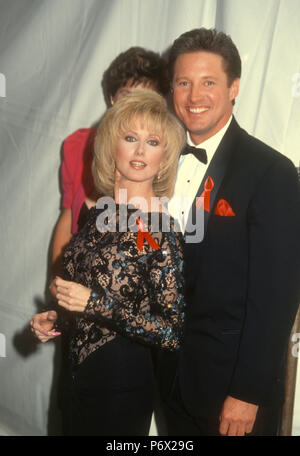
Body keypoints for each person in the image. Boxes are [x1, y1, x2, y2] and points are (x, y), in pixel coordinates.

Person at [160, 27, 300, 436]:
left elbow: (276, 298)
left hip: (232, 395)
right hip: (170, 380)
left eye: (208, 82)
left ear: (234, 87)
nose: (193, 96)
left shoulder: (271, 172)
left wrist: (247, 393)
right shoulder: (159, 162)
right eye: (184, 82)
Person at [32, 89, 187, 436]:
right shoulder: (100, 213)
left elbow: (171, 331)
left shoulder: (160, 230)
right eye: (130, 138)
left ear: (165, 156)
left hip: (119, 388)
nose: (139, 150)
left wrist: (95, 304)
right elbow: (87, 297)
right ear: (111, 147)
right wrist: (57, 317)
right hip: (73, 381)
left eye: (152, 141)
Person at [31, 46, 169, 340]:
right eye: (126, 97)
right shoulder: (78, 145)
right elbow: (68, 218)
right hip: (77, 306)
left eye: (143, 100)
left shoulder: (159, 155)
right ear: (111, 99)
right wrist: (56, 287)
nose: (131, 110)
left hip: (131, 312)